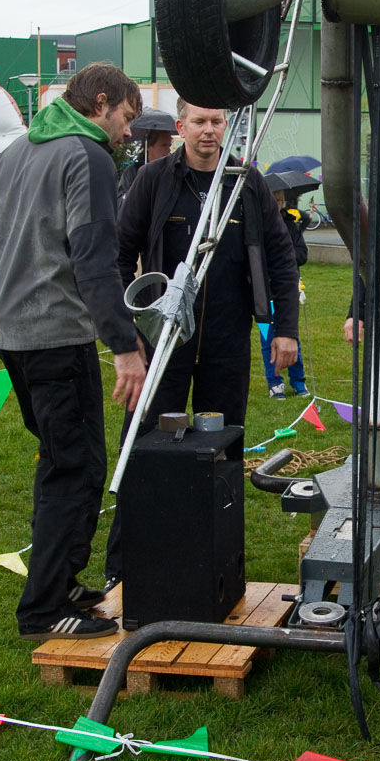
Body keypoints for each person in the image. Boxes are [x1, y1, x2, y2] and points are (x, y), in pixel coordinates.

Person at [105, 99, 299, 586]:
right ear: (180, 127)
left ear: (227, 126)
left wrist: (286, 327)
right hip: (162, 343)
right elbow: (118, 252)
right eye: (199, 122)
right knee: (144, 445)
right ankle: (124, 568)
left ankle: (220, 565)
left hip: (226, 342)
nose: (209, 131)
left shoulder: (246, 184)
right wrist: (128, 332)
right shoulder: (153, 181)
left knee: (222, 451)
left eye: (217, 121)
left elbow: (280, 259)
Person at [0, 63, 147, 640]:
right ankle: (46, 607)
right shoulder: (88, 156)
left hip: (9, 334)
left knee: (59, 460)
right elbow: (94, 258)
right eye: (127, 118)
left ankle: (59, 580)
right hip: (56, 336)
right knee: (77, 468)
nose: (129, 133)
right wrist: (124, 345)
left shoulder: (12, 153)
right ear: (100, 102)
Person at [262, 190, 309, 399]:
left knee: (291, 337)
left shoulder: (291, 225)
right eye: (273, 199)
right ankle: (274, 383)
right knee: (267, 339)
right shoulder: (257, 226)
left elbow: (302, 254)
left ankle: (298, 381)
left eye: (279, 199)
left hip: (286, 295)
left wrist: (284, 252)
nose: (277, 203)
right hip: (263, 295)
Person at [116, 109, 175, 208]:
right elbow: (120, 204)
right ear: (149, 147)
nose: (168, 151)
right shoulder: (132, 173)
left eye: (169, 145)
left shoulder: (172, 172)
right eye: (163, 145)